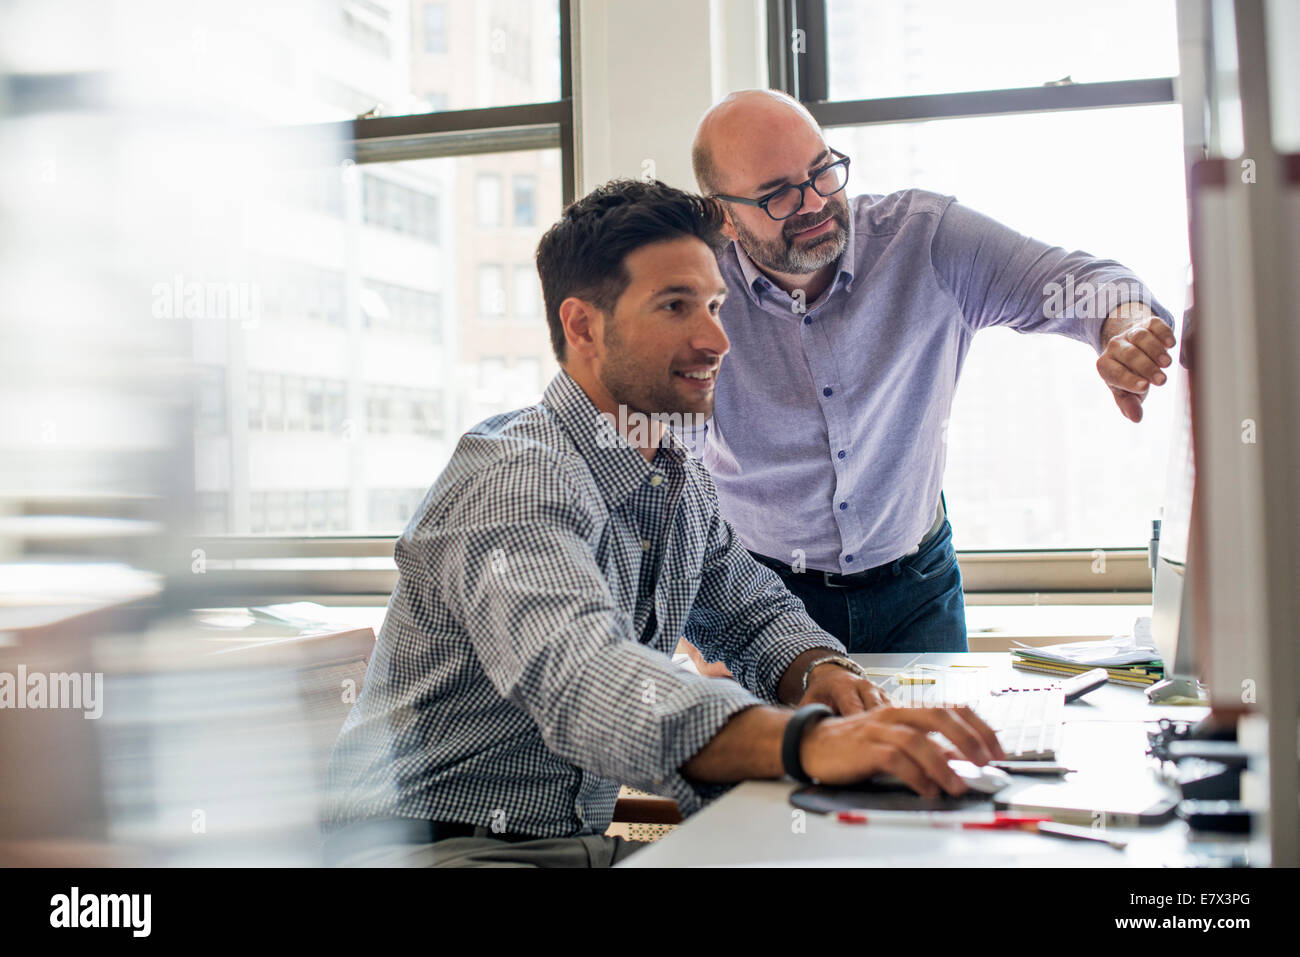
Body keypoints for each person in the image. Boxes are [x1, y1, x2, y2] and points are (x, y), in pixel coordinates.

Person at [321, 179, 1004, 868]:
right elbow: (585, 679)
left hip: (573, 846)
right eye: (676, 306)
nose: (716, 339)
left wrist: (823, 674)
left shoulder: (676, 474)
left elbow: (755, 614)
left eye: (714, 305)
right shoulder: (515, 477)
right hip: (432, 847)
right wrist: (809, 742)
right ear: (583, 325)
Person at [687, 89, 1178, 654]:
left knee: (936, 745)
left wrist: (1124, 326)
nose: (815, 202)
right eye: (777, 195)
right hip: (760, 597)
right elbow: (653, 465)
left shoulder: (924, 240)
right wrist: (710, 618)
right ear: (724, 215)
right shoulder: (695, 296)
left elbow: (1084, 279)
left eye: (823, 172)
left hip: (916, 593)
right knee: (785, 748)